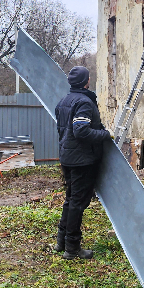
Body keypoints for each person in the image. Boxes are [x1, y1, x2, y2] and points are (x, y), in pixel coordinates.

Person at [54, 66, 112, 260]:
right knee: (78, 203)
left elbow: (64, 131)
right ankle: (72, 248)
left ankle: (61, 241)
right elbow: (81, 131)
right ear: (86, 81)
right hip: (82, 161)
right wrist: (105, 134)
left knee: (70, 200)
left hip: (67, 158)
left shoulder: (64, 101)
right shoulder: (84, 102)